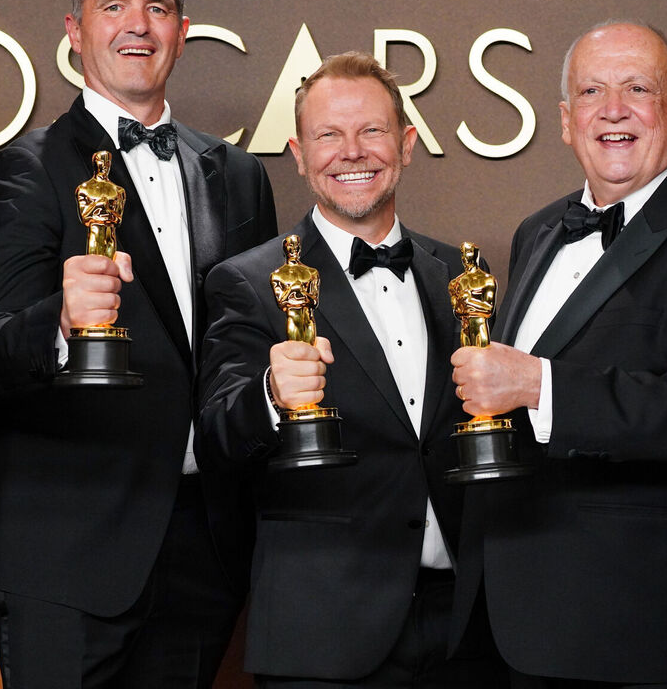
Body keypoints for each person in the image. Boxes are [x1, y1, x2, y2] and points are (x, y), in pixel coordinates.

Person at [0, 0, 277, 688]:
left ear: (182, 30)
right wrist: (60, 320)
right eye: (113, 6)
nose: (137, 25)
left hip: (203, 556)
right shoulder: (28, 167)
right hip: (68, 553)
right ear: (75, 32)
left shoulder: (239, 176)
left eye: (157, 7)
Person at [449, 21, 667, 688]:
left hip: (634, 628)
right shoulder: (538, 231)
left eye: (638, 88)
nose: (613, 110)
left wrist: (538, 384)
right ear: (565, 121)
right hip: (509, 618)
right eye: (591, 91)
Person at [198, 52, 507, 687]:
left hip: (467, 634)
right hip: (325, 631)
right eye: (328, 135)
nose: (352, 152)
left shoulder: (459, 275)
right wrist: (270, 394)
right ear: (298, 153)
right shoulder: (249, 281)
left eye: (371, 130)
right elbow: (218, 436)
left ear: (407, 144)